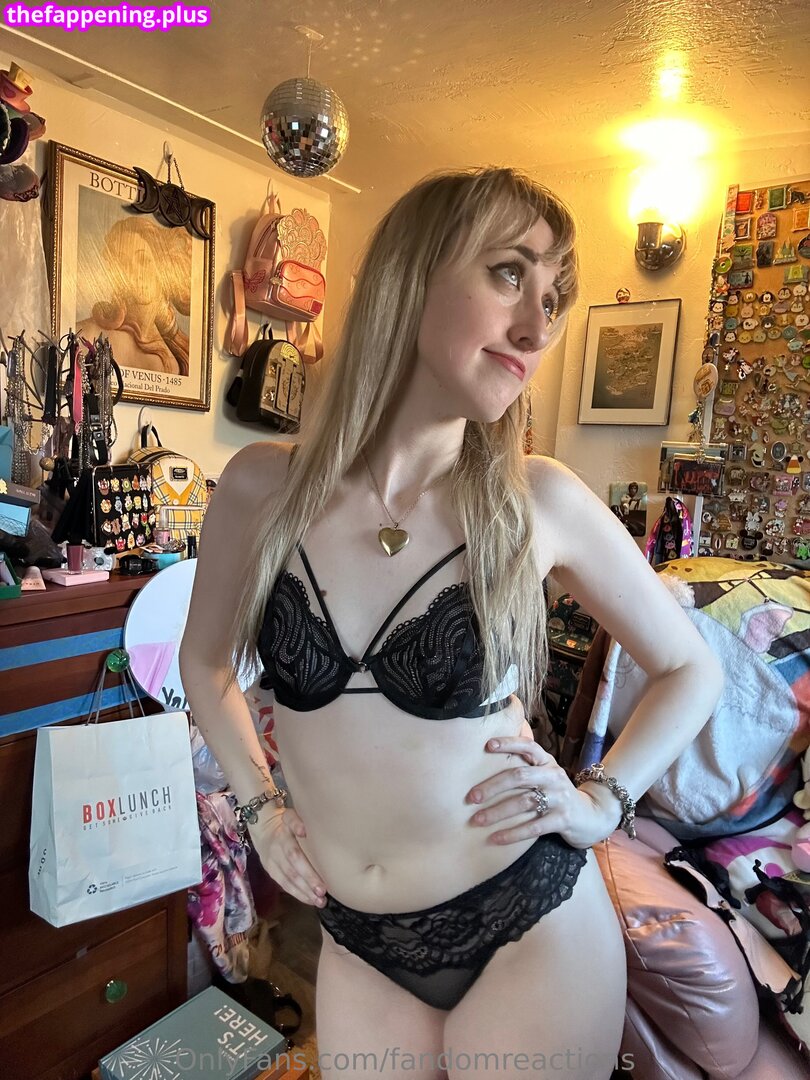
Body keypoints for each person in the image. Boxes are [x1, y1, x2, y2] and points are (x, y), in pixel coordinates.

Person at [179, 167, 723, 1079]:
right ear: (411, 274)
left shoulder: (538, 501)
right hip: (358, 939)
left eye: (553, 298)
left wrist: (601, 801)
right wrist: (261, 811)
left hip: (528, 924)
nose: (538, 328)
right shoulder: (261, 489)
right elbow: (204, 667)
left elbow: (691, 669)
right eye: (510, 274)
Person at [76, 216, 191, 375]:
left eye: (143, 260)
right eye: (124, 264)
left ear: (161, 267)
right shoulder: (88, 335)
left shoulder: (174, 359)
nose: (135, 273)